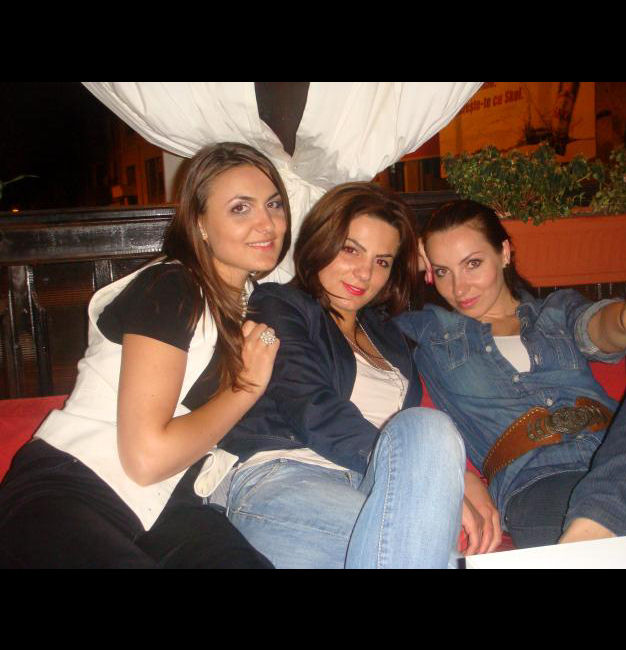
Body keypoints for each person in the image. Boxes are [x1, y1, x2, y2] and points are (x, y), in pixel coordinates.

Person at [0, 142, 292, 568]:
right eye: (240, 208)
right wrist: (246, 387)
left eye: (274, 204)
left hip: (170, 507)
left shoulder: (252, 304)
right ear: (200, 223)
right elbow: (145, 459)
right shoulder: (171, 288)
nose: (267, 223)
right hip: (71, 490)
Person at [213, 182, 488, 569]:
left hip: (373, 487)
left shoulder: (388, 333)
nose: (364, 273)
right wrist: (419, 479)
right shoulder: (280, 304)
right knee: (431, 552)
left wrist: (458, 478)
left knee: (428, 427)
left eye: (382, 261)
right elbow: (311, 407)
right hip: (288, 478)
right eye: (350, 250)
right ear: (321, 242)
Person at [397, 198, 626, 549]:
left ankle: (597, 528)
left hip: (623, 452)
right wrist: (403, 255)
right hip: (538, 479)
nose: (459, 288)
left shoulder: (557, 312)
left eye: (472, 264)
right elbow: (355, 297)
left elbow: (600, 328)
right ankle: (601, 525)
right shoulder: (429, 331)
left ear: (504, 253)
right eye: (442, 271)